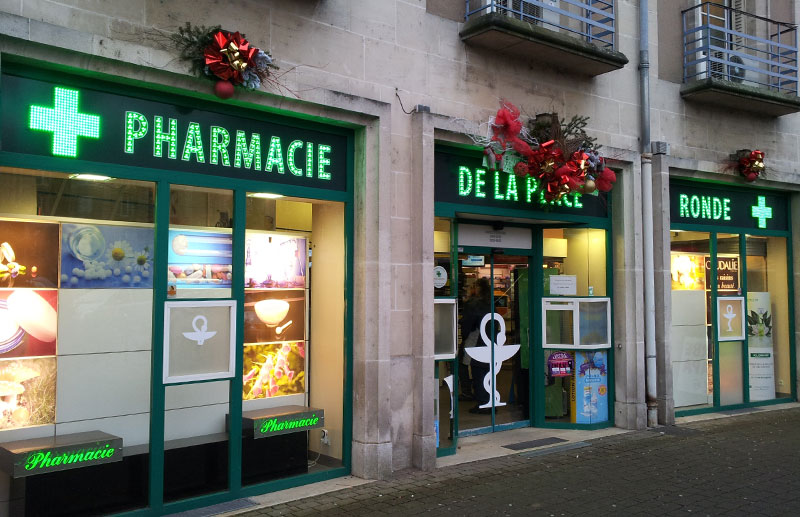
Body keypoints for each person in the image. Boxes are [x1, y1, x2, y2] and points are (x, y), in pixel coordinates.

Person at [460, 277, 492, 413]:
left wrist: (464, 336)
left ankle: (482, 402)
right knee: (487, 372)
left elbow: (467, 325)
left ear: (478, 288)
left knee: (477, 371)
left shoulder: (474, 304)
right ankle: (488, 401)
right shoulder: (490, 302)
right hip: (490, 341)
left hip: (477, 341)